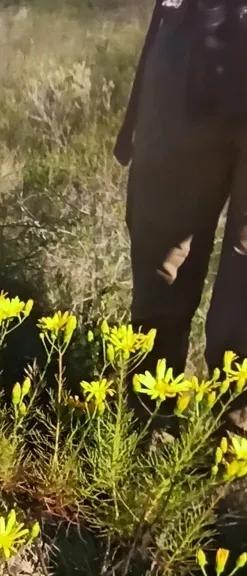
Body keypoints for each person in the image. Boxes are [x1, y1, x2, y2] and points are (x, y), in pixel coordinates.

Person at [115, 0, 247, 427]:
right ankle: (153, 426)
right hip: (195, 38)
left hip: (193, 42)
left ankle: (224, 451)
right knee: (163, 261)